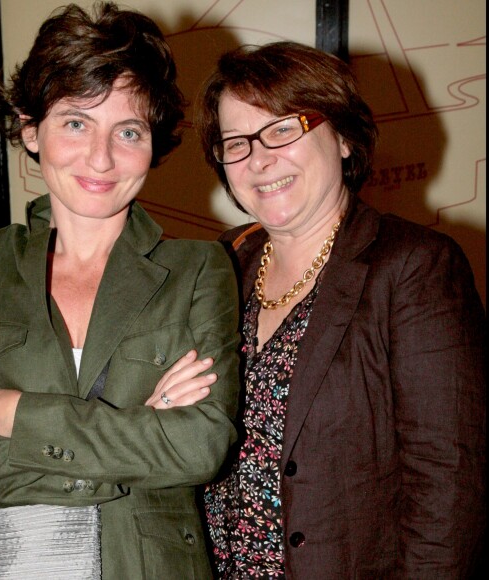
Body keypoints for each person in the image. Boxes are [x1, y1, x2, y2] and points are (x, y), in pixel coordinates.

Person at [0, 3, 241, 578]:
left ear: (154, 142)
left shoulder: (197, 269)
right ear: (30, 128)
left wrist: (21, 414)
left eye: (129, 131)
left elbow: (199, 445)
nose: (101, 157)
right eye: (75, 122)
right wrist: (140, 432)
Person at [195, 41, 486, 578]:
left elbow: (450, 483)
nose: (259, 158)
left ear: (345, 137)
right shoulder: (221, 264)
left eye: (283, 128)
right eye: (236, 142)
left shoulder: (416, 268)